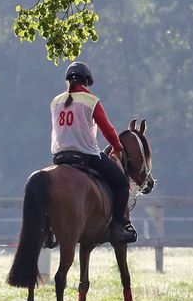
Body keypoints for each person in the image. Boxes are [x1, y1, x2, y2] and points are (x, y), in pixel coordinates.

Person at [50, 62, 137, 244]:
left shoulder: (55, 101)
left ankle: (49, 229)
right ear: (87, 81)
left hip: (59, 157)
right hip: (86, 155)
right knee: (122, 184)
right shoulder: (91, 101)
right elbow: (108, 130)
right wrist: (118, 148)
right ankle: (117, 227)